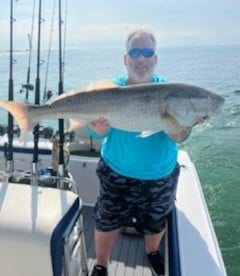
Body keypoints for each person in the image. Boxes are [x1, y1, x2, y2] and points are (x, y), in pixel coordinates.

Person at [88, 29, 202, 276]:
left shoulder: (170, 92)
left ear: (155, 59)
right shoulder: (110, 90)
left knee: (156, 221)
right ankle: (100, 263)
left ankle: (152, 251)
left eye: (147, 53)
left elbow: (179, 136)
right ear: (125, 58)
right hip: (115, 172)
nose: (141, 59)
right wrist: (98, 129)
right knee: (106, 221)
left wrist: (185, 124)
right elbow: (97, 134)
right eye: (135, 52)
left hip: (158, 175)